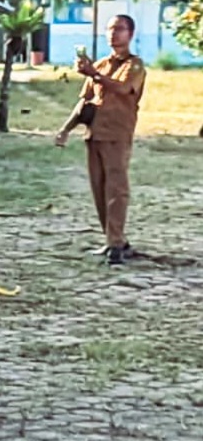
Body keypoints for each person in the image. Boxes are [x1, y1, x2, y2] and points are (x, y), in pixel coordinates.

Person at [54, 14, 147, 265]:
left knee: (116, 189)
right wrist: (65, 129)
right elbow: (84, 101)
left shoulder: (134, 65)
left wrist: (93, 73)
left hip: (117, 134)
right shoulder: (102, 64)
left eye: (119, 29)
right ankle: (112, 239)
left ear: (130, 34)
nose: (113, 34)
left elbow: (122, 88)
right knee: (99, 189)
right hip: (95, 133)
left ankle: (116, 242)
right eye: (110, 29)